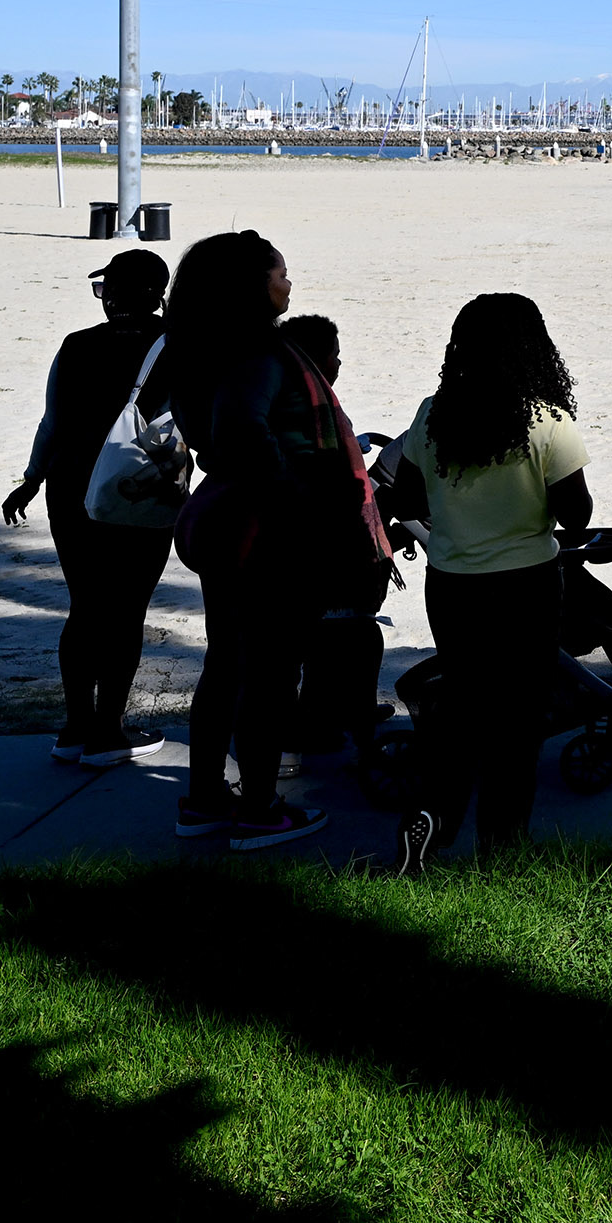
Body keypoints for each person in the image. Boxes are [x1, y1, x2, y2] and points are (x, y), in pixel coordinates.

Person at [157, 231, 378, 853]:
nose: (289, 283)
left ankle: (204, 798)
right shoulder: (257, 354)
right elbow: (242, 430)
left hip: (230, 520)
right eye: (281, 273)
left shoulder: (204, 349)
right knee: (271, 672)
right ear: (251, 285)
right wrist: (295, 499)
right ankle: (259, 808)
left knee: (227, 662)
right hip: (270, 532)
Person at [375, 294, 587, 872]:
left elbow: (408, 495)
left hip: (453, 585)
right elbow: (578, 515)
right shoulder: (548, 420)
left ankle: (436, 819)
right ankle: (502, 844)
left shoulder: (433, 413)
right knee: (519, 720)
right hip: (527, 585)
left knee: (463, 705)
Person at [0, 247, 173, 768]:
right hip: (138, 489)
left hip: (70, 486)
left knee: (86, 605)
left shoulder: (76, 346)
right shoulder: (176, 344)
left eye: (106, 289)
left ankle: (75, 727)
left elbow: (52, 424)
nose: (104, 299)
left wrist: (30, 480)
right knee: (126, 610)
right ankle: (108, 731)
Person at [278, 312, 393, 766]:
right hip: (329, 543)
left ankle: (324, 715)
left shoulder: (299, 398)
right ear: (317, 357)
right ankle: (351, 721)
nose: (339, 364)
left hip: (309, 542)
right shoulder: (309, 405)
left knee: (319, 640)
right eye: (335, 355)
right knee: (357, 636)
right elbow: (325, 474)